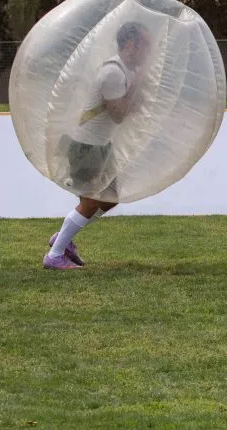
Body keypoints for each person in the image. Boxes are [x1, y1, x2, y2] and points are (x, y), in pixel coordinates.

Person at [43, 22, 149, 270]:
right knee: (91, 202)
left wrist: (138, 88)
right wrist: (139, 89)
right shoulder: (113, 73)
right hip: (86, 146)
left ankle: (62, 238)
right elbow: (119, 115)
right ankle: (55, 256)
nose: (148, 52)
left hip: (101, 146)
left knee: (110, 200)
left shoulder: (125, 71)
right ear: (131, 46)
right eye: (146, 46)